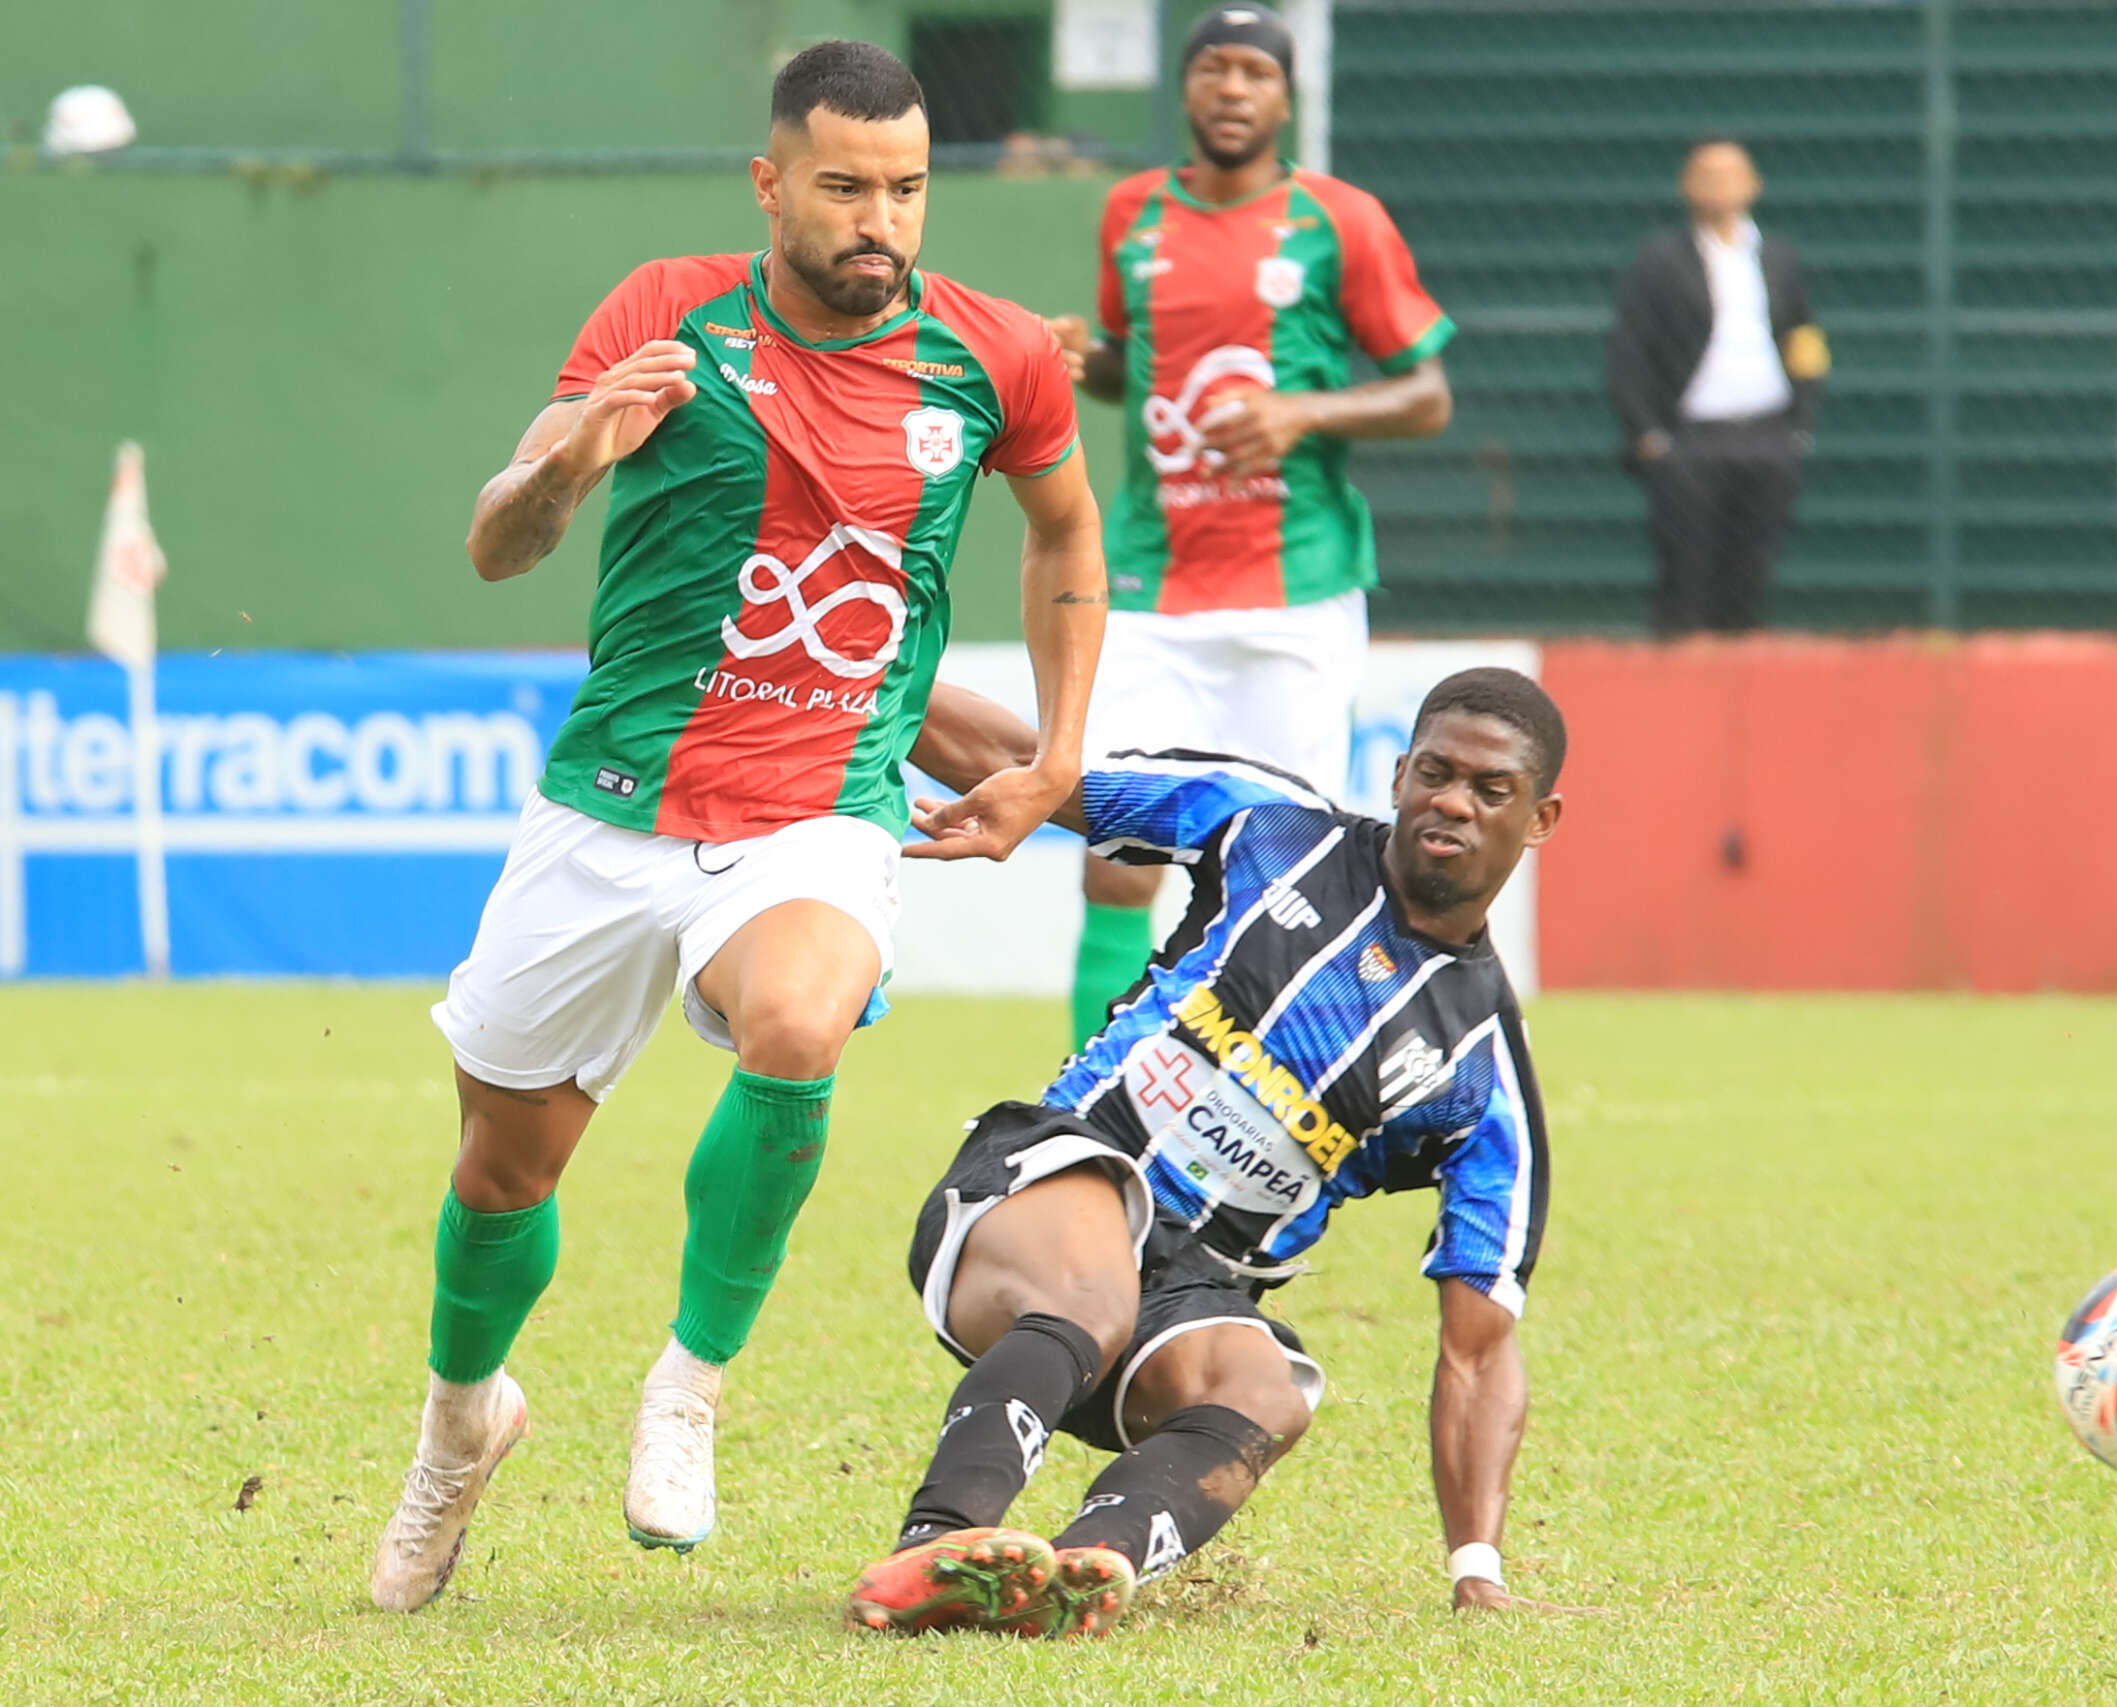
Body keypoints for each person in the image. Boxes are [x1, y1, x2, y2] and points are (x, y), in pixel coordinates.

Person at [368, 40, 1106, 1613]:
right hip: (613, 806)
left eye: (905, 190)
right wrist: (570, 456)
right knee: (503, 1174)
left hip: (817, 812)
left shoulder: (991, 355)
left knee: (797, 1020)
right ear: (771, 182)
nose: (879, 220)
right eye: (844, 186)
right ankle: (460, 1424)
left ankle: (689, 1382)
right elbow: (502, 540)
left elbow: (1066, 533)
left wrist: (1059, 755)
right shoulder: (665, 311)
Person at [843, 666, 1572, 1638]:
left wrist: (1475, 1565)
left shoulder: (1483, 1077)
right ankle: (931, 1546)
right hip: (1045, 1181)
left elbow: (1477, 1349)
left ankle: (1078, 1570)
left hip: (1186, 1293)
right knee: (1091, 1278)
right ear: (1397, 774)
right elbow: (1036, 768)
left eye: (1492, 790)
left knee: (1271, 1388)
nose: (1452, 801)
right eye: (1434, 772)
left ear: (1539, 820)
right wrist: (861, 678)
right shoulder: (1267, 826)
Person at [1045, 2, 1455, 1048]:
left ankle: (1269, 1083)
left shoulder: (1339, 220)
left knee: (1293, 868)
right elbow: (1123, 373)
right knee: (1112, 849)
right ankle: (1085, 1101)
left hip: (1296, 592)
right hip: (1148, 589)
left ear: (1287, 95)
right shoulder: (1131, 214)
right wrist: (1074, 355)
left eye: (1255, 73)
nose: (1233, 89)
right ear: (1185, 89)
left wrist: (1300, 411)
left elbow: (1425, 395)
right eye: (1214, 69)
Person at [1605, 135, 1828, 635]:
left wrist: (1802, 423)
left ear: (1754, 185)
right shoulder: (1659, 261)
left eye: (1730, 175)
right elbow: (1629, 350)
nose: (1719, 187)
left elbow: (1805, 338)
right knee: (1686, 572)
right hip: (1690, 440)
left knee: (1752, 568)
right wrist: (1648, 433)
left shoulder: (1779, 259)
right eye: (1706, 176)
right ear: (1686, 186)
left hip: (1768, 434)